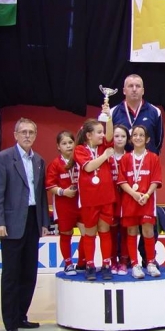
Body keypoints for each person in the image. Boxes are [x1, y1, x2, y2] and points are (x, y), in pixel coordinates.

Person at [0, 118, 50, 331]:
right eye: (23, 132)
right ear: (15, 135)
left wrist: (44, 222)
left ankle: (21, 315)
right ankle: (10, 324)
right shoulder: (3, 158)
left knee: (29, 273)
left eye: (31, 132)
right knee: (11, 275)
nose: (27, 136)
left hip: (33, 221)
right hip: (11, 223)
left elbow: (41, 195)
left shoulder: (39, 160)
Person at [110, 74, 164, 267]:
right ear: (124, 90)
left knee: (148, 222)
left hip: (146, 175)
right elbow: (109, 139)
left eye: (138, 86)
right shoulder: (114, 112)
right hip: (122, 175)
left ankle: (149, 259)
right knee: (124, 220)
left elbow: (158, 142)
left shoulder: (155, 112)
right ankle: (125, 260)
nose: (134, 89)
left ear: (143, 90)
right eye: (130, 86)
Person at [72, 115, 115, 281]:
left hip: (106, 197)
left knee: (105, 231)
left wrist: (108, 117)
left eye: (102, 132)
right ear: (89, 135)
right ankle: (90, 264)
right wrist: (105, 156)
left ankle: (106, 264)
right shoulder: (79, 150)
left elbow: (109, 135)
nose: (102, 135)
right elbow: (89, 167)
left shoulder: (103, 145)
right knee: (90, 233)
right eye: (99, 132)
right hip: (89, 199)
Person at [118, 125, 163, 279]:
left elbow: (155, 180)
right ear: (131, 139)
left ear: (147, 139)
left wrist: (147, 195)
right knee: (132, 231)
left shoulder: (153, 158)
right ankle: (135, 265)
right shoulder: (125, 158)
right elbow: (122, 181)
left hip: (147, 200)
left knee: (148, 230)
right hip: (130, 200)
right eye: (135, 135)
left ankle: (150, 263)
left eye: (141, 135)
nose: (138, 137)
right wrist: (134, 194)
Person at [45, 130, 85, 276]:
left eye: (70, 142)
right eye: (64, 143)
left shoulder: (80, 161)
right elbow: (50, 186)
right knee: (66, 234)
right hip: (64, 205)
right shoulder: (55, 164)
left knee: (86, 233)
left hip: (81, 203)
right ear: (58, 146)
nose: (68, 146)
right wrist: (63, 192)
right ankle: (68, 264)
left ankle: (81, 262)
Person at [109, 125, 130, 275]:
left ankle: (123, 261)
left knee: (125, 231)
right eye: (116, 136)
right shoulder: (106, 156)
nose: (120, 139)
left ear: (127, 139)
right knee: (111, 232)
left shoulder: (130, 157)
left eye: (123, 136)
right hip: (110, 199)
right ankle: (112, 261)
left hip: (126, 199)